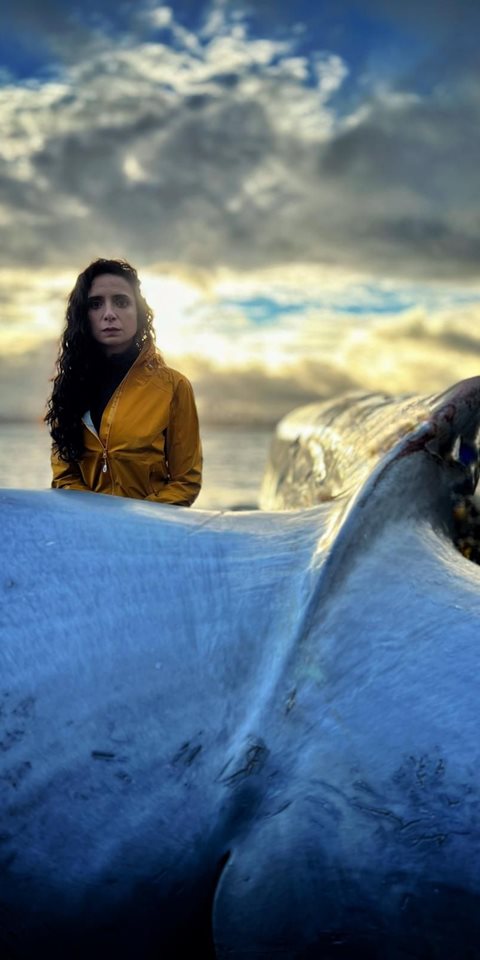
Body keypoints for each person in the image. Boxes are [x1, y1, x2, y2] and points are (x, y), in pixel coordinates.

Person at [45, 258, 202, 506]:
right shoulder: (70, 387)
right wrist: (95, 517)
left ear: (138, 312)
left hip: (147, 532)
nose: (109, 314)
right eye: (96, 304)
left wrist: (133, 520)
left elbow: (186, 482)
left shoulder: (173, 387)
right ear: (83, 316)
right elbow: (65, 475)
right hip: (85, 531)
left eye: (121, 302)